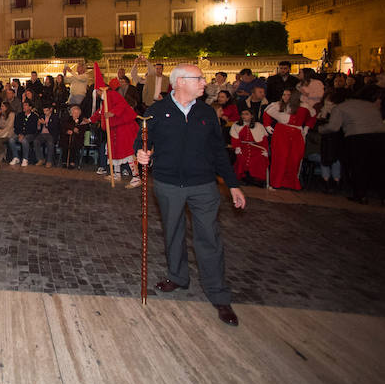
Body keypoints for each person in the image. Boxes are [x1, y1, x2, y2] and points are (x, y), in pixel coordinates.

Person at [135, 63, 246, 327]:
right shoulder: (157, 111)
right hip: (168, 183)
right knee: (173, 232)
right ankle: (178, 276)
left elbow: (219, 152)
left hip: (203, 185)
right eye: (198, 78)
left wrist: (232, 184)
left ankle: (218, 294)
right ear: (180, 82)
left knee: (209, 237)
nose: (204, 83)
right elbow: (143, 140)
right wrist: (142, 153)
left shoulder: (207, 112)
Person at [319, 86, 385, 206]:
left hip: (359, 138)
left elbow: (333, 127)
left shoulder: (340, 107)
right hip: (383, 137)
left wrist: (321, 129)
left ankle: (361, 196)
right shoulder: (369, 105)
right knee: (381, 168)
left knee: (358, 167)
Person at [90, 66, 140, 188]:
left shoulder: (112, 94)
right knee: (114, 151)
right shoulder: (104, 100)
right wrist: (90, 120)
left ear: (99, 90)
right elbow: (100, 113)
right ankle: (116, 174)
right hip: (115, 129)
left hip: (124, 127)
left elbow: (122, 105)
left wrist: (112, 113)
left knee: (128, 151)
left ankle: (136, 177)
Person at [263, 89, 315, 191]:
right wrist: (267, 125)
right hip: (281, 133)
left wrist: (307, 127)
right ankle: (276, 182)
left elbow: (312, 117)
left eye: (288, 95)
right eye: (284, 94)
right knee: (280, 158)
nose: (285, 97)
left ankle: (291, 184)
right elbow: (267, 113)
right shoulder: (277, 105)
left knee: (294, 159)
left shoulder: (304, 106)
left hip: (296, 134)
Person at [230, 109, 269, 186]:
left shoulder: (259, 126)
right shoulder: (236, 125)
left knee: (260, 158)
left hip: (256, 148)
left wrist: (265, 150)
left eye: (246, 114)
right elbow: (234, 139)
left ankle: (257, 179)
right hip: (242, 147)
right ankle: (243, 177)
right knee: (242, 157)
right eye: (242, 114)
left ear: (252, 116)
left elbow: (264, 140)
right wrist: (237, 147)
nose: (244, 116)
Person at [59, 103, 90, 168]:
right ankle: (65, 161)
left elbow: (83, 130)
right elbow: (63, 127)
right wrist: (67, 131)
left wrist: (77, 131)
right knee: (65, 143)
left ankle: (72, 162)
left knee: (74, 144)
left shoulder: (82, 121)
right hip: (67, 137)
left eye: (77, 113)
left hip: (77, 138)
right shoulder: (67, 119)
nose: (76, 115)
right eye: (74, 113)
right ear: (71, 113)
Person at [12, 99, 39, 166]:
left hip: (30, 134)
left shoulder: (34, 116)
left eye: (26, 105)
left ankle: (25, 159)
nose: (24, 107)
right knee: (11, 139)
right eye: (23, 105)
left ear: (30, 107)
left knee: (24, 140)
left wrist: (23, 135)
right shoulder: (20, 115)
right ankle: (16, 157)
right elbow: (16, 126)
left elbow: (33, 129)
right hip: (20, 133)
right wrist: (19, 134)